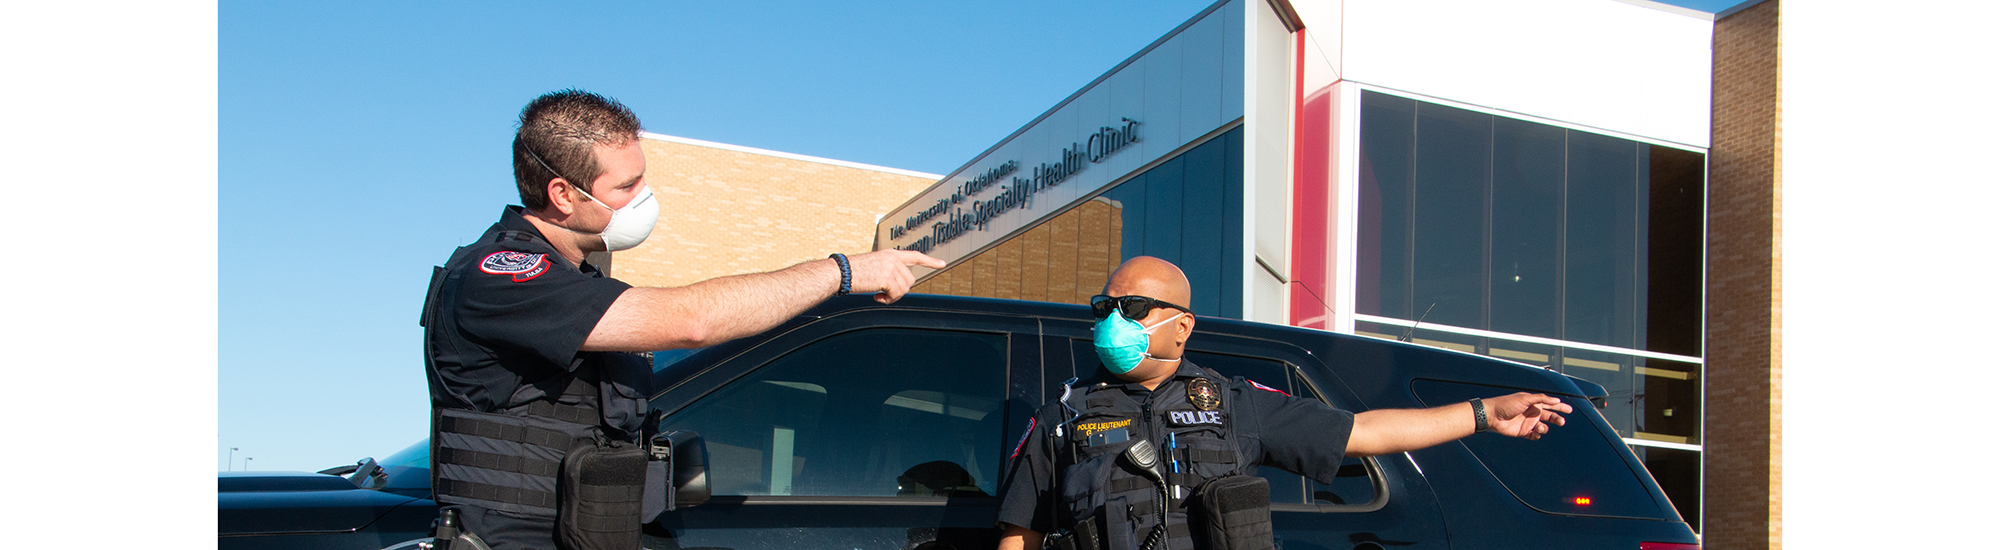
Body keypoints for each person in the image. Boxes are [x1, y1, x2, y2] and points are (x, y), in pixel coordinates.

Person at [420, 89, 943, 550]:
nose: (643, 200)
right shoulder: (503, 277)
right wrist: (844, 272)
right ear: (562, 195)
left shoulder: (576, 278)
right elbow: (694, 320)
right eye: (626, 188)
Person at [994, 256, 1572, 550]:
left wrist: (1482, 414)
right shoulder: (1063, 415)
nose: (1113, 321)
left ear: (1181, 327)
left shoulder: (1232, 404)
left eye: (1134, 308)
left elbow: (1365, 432)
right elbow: (1019, 534)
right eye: (1105, 307)